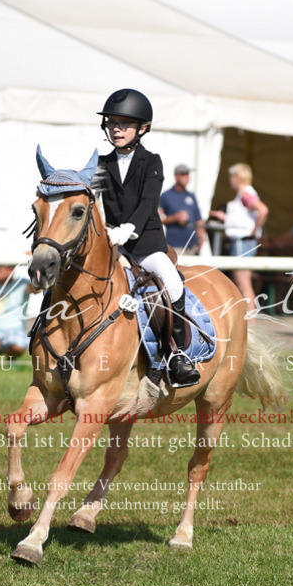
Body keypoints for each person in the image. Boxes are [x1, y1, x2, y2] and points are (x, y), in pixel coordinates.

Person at [97, 88, 199, 387]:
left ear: (142, 128)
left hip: (146, 244)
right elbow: (93, 199)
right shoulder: (102, 164)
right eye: (113, 122)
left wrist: (128, 229)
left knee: (172, 282)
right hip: (114, 246)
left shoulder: (151, 161)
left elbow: (148, 202)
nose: (117, 128)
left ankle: (177, 354)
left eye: (124, 123)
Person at [209, 163, 269, 314]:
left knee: (243, 282)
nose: (230, 180)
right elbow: (245, 216)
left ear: (237, 177)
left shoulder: (244, 193)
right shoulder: (244, 194)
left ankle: (251, 321)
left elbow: (262, 210)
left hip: (243, 242)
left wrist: (254, 231)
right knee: (242, 282)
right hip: (244, 241)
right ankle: (249, 319)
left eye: (231, 176)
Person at [158, 164, 205, 256]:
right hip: (175, 245)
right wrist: (175, 218)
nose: (186, 177)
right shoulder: (166, 195)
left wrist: (201, 237)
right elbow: (158, 218)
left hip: (193, 244)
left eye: (187, 174)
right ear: (176, 176)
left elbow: (198, 219)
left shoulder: (191, 196)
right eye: (183, 174)